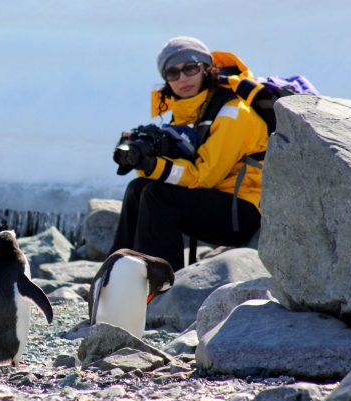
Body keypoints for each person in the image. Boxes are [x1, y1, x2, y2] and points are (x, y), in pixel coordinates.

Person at [109, 36, 267, 271]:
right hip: (214, 203)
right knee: (138, 188)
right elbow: (181, 167)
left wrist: (154, 166)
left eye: (190, 68)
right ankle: (116, 276)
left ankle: (159, 286)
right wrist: (141, 159)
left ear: (206, 69)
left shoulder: (234, 112)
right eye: (173, 73)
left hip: (243, 211)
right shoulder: (189, 110)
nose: (182, 78)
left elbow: (205, 176)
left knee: (158, 195)